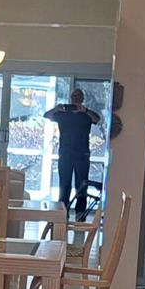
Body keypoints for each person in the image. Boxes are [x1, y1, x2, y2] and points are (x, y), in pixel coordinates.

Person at [44, 87, 103, 218]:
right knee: (64, 184)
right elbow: (46, 115)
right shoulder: (63, 114)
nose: (76, 98)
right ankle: (63, 211)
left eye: (79, 96)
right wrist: (56, 109)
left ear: (82, 98)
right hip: (65, 153)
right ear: (70, 98)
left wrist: (85, 110)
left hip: (82, 154)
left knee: (81, 184)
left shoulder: (86, 115)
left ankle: (80, 212)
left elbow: (97, 119)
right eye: (74, 96)